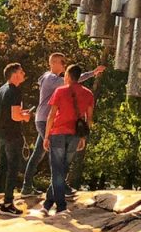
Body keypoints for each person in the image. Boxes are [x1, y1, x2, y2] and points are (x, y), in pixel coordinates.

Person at [21, 52, 103, 196]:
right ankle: (57, 187)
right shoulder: (50, 79)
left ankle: (28, 187)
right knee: (56, 153)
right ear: (53, 63)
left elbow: (73, 79)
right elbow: (73, 80)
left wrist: (92, 73)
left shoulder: (52, 78)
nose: (65, 65)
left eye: (65, 62)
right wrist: (92, 73)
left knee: (38, 155)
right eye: (62, 62)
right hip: (45, 120)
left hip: (47, 120)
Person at [43, 63, 94, 216]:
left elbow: (51, 115)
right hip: (75, 135)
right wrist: (83, 137)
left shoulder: (60, 91)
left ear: (68, 76)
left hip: (58, 132)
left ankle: (60, 207)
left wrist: (46, 136)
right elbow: (89, 118)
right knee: (63, 169)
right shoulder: (88, 93)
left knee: (57, 170)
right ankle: (47, 204)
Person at [0, 62, 32, 216]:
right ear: (15, 74)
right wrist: (25, 117)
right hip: (12, 135)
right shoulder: (15, 91)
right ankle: (7, 203)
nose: (24, 73)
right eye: (21, 71)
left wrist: (18, 113)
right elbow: (15, 116)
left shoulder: (1, 90)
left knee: (2, 166)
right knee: (12, 168)